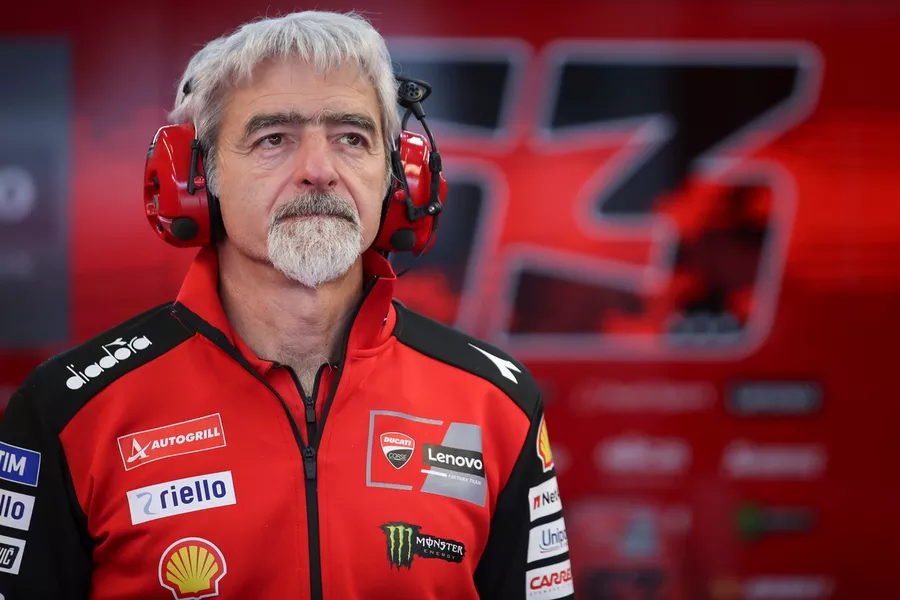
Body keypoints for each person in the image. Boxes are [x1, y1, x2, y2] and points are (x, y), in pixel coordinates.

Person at [0, 10, 574, 600]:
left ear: (399, 179)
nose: (319, 171)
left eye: (352, 138)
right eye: (273, 139)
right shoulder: (70, 410)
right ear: (196, 178)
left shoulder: (495, 402)